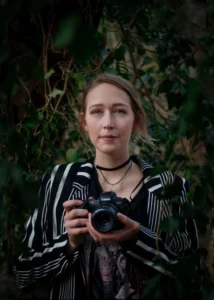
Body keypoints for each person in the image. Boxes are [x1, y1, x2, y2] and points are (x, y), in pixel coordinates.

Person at [14, 73, 199, 299]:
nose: (108, 123)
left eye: (120, 111)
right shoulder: (57, 181)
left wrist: (138, 240)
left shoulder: (170, 188)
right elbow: (23, 275)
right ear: (84, 121)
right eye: (97, 111)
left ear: (137, 119)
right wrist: (69, 243)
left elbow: (191, 279)